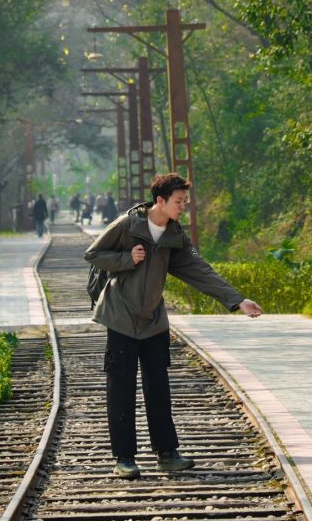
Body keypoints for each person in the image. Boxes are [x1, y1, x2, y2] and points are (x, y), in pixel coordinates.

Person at [84, 172, 262, 480]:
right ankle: (124, 458)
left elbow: (199, 269)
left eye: (185, 202)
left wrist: (237, 300)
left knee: (159, 388)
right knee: (121, 389)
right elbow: (94, 254)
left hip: (153, 321)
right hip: (120, 318)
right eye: (179, 202)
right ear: (160, 201)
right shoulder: (128, 224)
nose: (183, 207)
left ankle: (167, 453)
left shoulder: (175, 236)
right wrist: (127, 258)